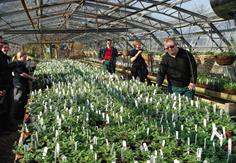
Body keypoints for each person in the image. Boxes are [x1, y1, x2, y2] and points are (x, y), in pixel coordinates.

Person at [11, 52, 35, 124]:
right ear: (21, 56)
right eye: (25, 56)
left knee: (22, 100)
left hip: (22, 84)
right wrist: (32, 78)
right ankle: (16, 117)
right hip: (19, 85)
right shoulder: (18, 64)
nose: (26, 57)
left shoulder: (21, 63)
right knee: (18, 100)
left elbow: (26, 71)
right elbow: (22, 74)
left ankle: (20, 116)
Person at [0, 38, 14, 134]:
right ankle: (2, 129)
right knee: (2, 108)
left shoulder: (4, 57)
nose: (2, 45)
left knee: (7, 106)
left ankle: (7, 126)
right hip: (2, 87)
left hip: (7, 85)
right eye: (1, 42)